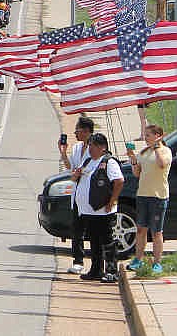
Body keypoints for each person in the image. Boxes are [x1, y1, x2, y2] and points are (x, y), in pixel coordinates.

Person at [71, 133, 124, 283]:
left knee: (107, 240)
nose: (90, 149)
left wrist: (111, 201)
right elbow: (75, 178)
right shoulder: (88, 161)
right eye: (89, 146)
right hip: (89, 211)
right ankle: (96, 270)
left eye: (93, 146)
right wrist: (76, 175)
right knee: (94, 241)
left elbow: (119, 182)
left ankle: (111, 271)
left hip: (103, 211)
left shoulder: (109, 162)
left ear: (102, 147)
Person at [126, 124, 173, 273]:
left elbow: (162, 164)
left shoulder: (165, 151)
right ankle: (138, 259)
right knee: (141, 229)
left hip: (158, 196)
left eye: (148, 135)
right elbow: (137, 173)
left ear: (157, 135)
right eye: (145, 135)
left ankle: (157, 262)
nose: (145, 138)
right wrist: (133, 158)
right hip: (143, 195)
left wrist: (157, 147)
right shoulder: (144, 152)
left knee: (156, 231)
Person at [58, 116, 94, 275]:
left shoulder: (96, 148)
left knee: (93, 231)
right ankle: (78, 261)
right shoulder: (78, 148)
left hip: (91, 196)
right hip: (77, 195)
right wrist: (63, 153)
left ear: (86, 131)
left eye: (77, 131)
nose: (75, 134)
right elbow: (70, 167)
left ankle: (97, 262)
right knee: (77, 230)